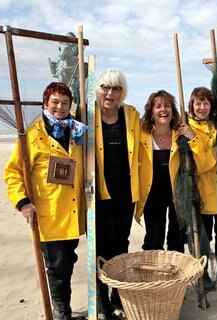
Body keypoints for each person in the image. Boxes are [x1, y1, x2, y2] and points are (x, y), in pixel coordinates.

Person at [4, 82, 86, 320]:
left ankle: (66, 310)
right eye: (55, 102)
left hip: (73, 211)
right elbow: (12, 172)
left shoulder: (78, 132)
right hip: (47, 214)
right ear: (45, 103)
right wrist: (23, 203)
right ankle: (62, 313)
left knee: (68, 262)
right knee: (57, 267)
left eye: (65, 103)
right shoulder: (31, 134)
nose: (60, 107)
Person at [94, 69, 141, 315]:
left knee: (120, 245)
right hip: (99, 195)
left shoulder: (131, 115)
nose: (110, 93)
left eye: (116, 89)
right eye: (105, 87)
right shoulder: (87, 115)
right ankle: (102, 301)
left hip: (125, 194)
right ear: (98, 89)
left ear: (123, 92)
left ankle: (117, 295)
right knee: (101, 248)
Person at [183, 87, 217, 291]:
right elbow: (201, 164)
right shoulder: (187, 128)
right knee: (202, 236)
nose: (202, 107)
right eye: (198, 103)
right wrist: (216, 149)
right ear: (191, 106)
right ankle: (203, 276)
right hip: (200, 193)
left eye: (206, 103)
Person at [136, 90, 193, 253]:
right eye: (158, 106)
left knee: (177, 238)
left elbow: (199, 155)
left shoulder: (181, 135)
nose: (163, 110)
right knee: (154, 238)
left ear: (173, 112)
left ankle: (175, 275)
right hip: (152, 194)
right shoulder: (143, 135)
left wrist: (192, 137)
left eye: (167, 106)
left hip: (177, 193)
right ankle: (155, 274)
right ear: (151, 112)